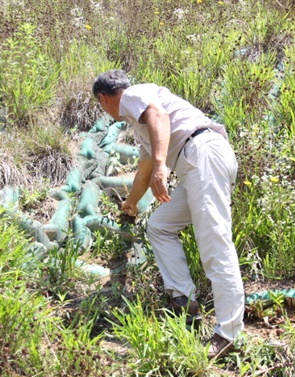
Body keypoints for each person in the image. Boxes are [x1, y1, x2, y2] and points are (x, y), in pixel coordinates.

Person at [92, 69, 244, 358]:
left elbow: (159, 120)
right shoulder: (140, 122)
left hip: (203, 154)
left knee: (215, 243)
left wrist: (162, 165)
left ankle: (229, 333)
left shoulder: (136, 96)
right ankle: (183, 300)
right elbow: (145, 169)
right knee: (160, 225)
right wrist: (132, 203)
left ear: (103, 98)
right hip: (195, 164)